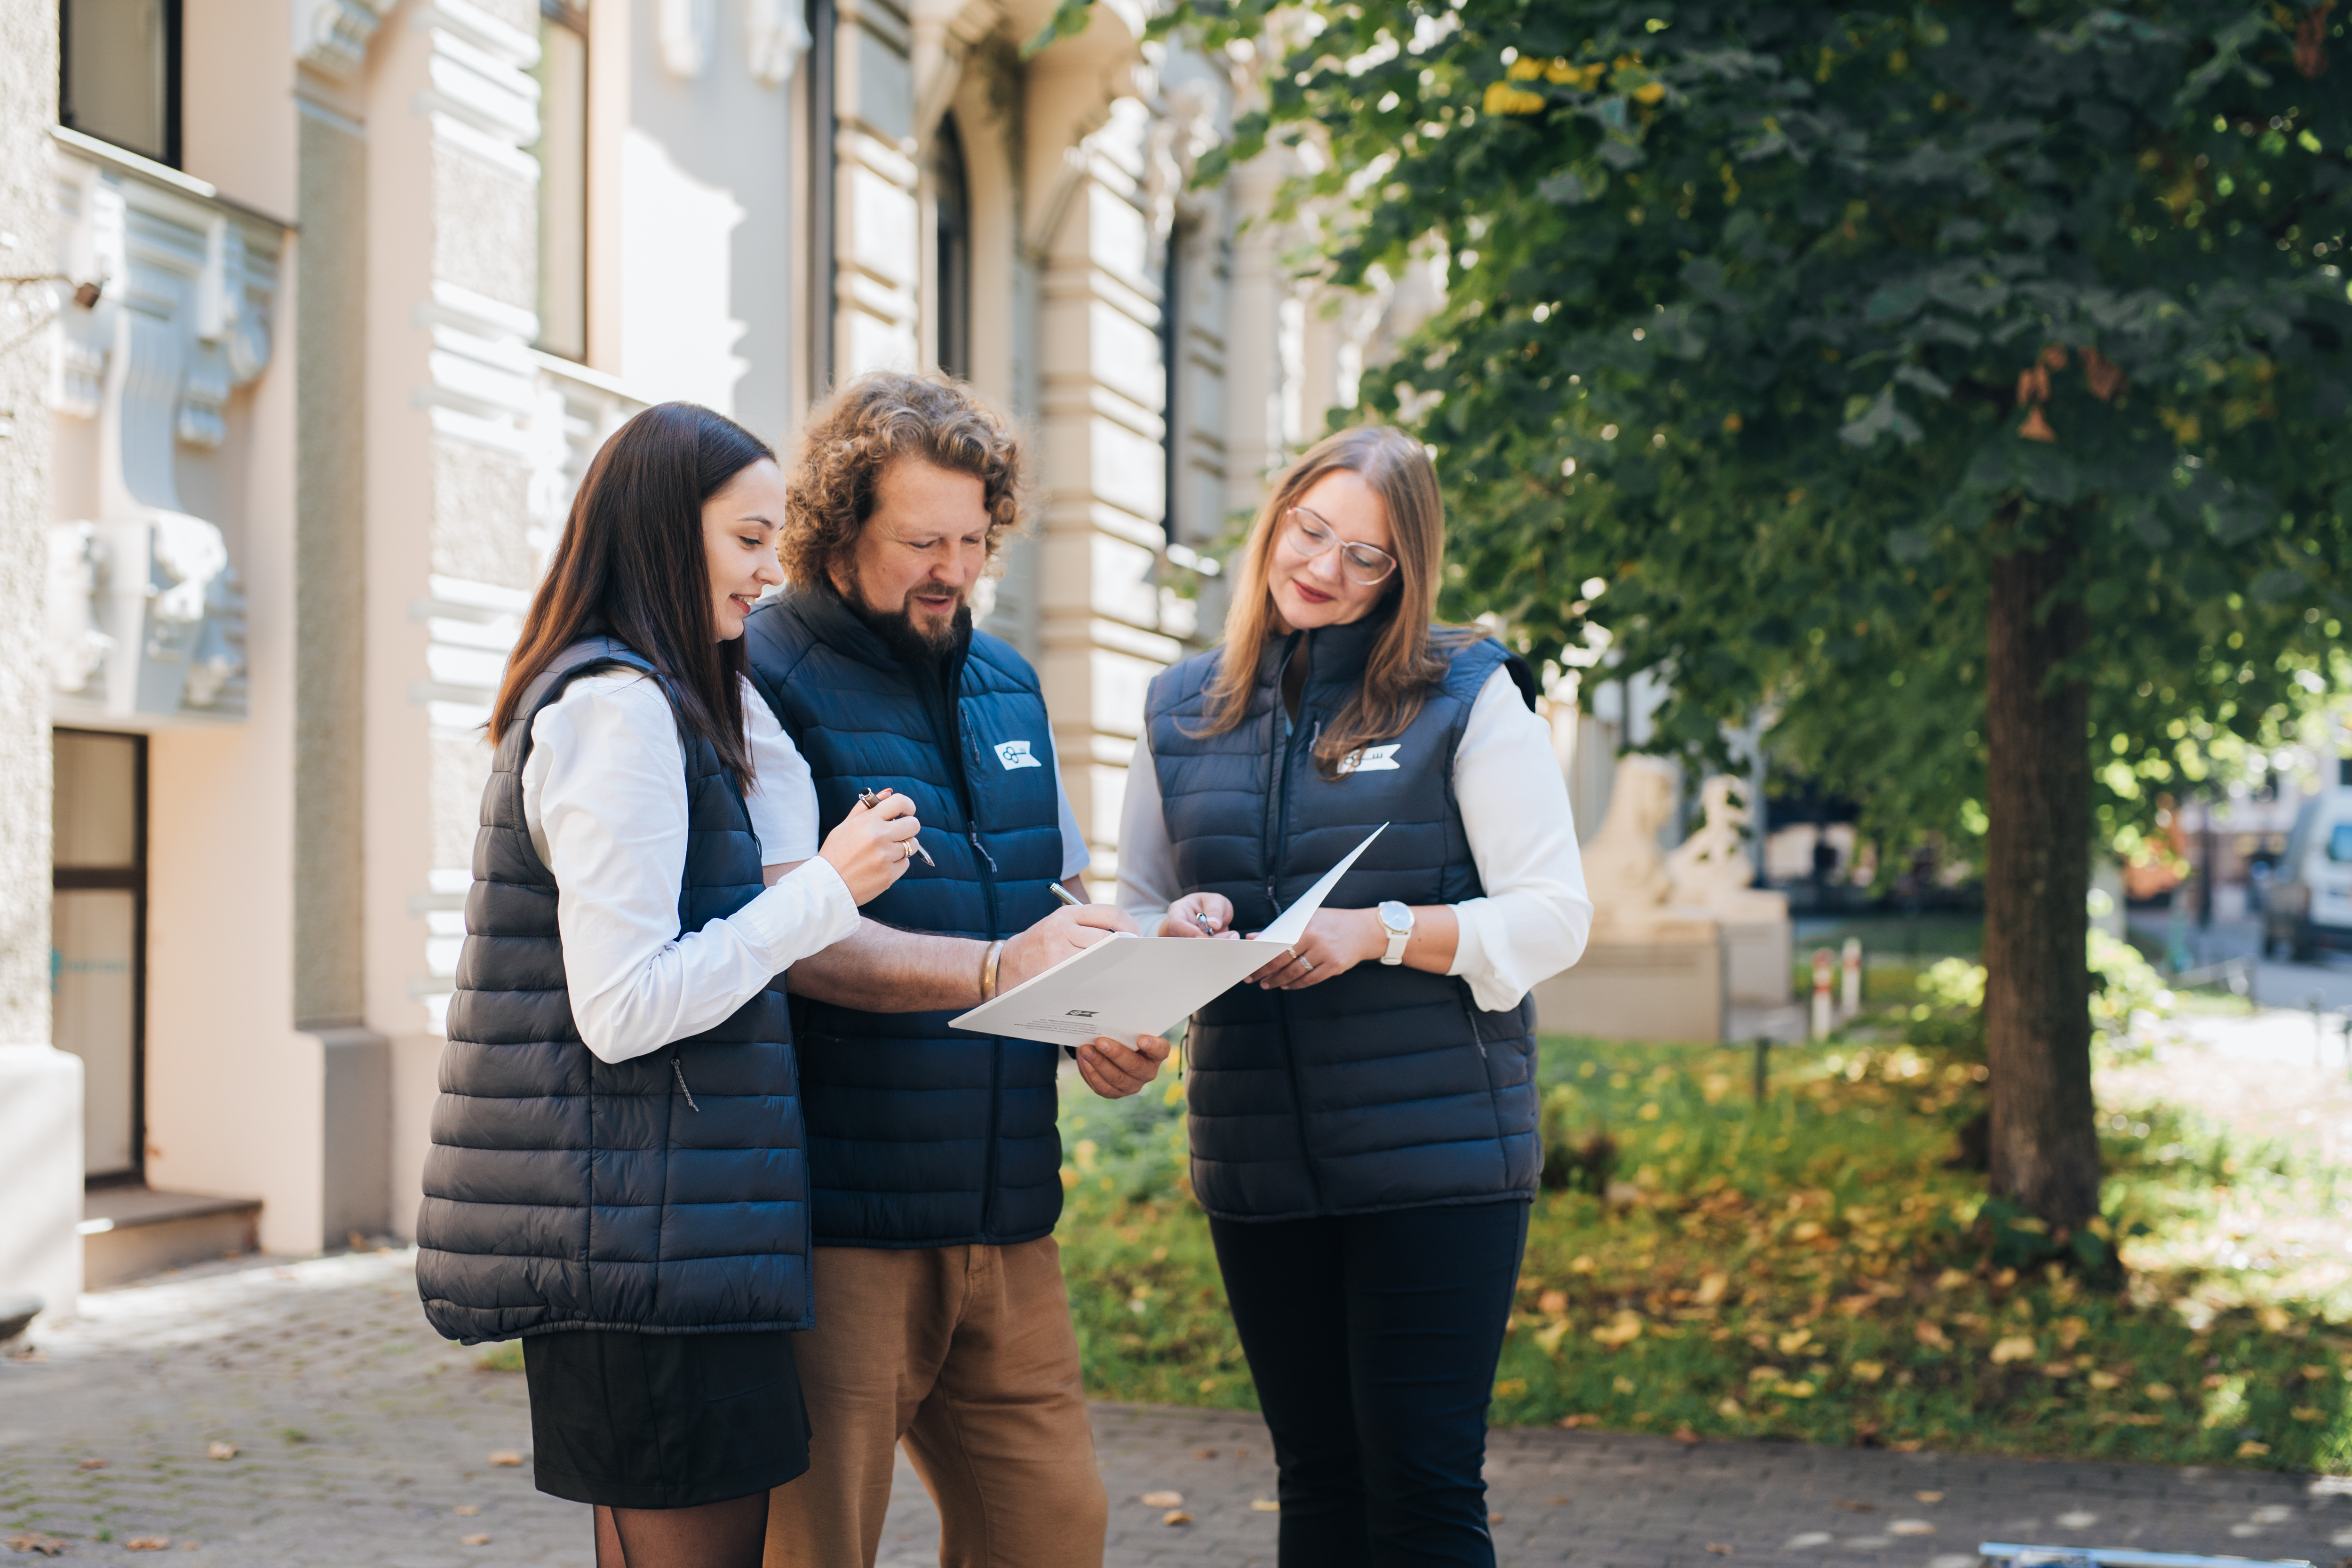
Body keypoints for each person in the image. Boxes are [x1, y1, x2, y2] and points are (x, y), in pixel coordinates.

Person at [414, 403, 924, 1568]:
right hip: (641, 1253)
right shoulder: (618, 713)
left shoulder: (668, 696)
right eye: (748, 539)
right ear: (660, 533)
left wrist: (728, 674)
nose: (771, 570)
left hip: (669, 1240)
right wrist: (827, 893)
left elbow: (780, 818)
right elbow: (624, 1006)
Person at [1118, 425, 1594, 1566]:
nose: (1324, 566)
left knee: (1422, 1491)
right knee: (1317, 1483)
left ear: (1406, 573)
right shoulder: (1179, 706)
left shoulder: (1466, 693)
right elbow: (1136, 898)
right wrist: (1171, 932)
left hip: (1437, 1159)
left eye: (1366, 556)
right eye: (1312, 530)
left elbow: (1553, 916)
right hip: (1257, 1160)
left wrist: (1376, 932)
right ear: (1277, 519)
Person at [739, 372, 1171, 1568]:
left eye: (974, 539)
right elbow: (787, 937)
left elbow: (1047, 908)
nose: (953, 568)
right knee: (814, 1550)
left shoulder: (1009, 684)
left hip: (1005, 1212)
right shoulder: (759, 679)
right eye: (920, 539)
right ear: (836, 529)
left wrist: (1107, 1015)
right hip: (837, 1222)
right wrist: (994, 965)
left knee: (1052, 1528)